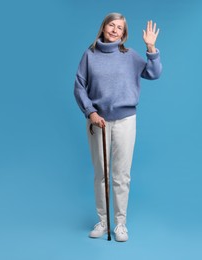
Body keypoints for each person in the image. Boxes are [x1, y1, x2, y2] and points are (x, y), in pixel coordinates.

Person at [74, 12, 162, 242]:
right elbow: (79, 86)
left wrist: (151, 48)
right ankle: (103, 222)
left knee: (121, 176)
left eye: (119, 28)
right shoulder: (89, 55)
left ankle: (120, 224)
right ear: (103, 28)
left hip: (125, 120)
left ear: (124, 34)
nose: (114, 30)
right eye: (111, 25)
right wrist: (90, 112)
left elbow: (153, 73)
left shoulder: (130, 56)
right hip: (98, 121)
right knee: (101, 174)